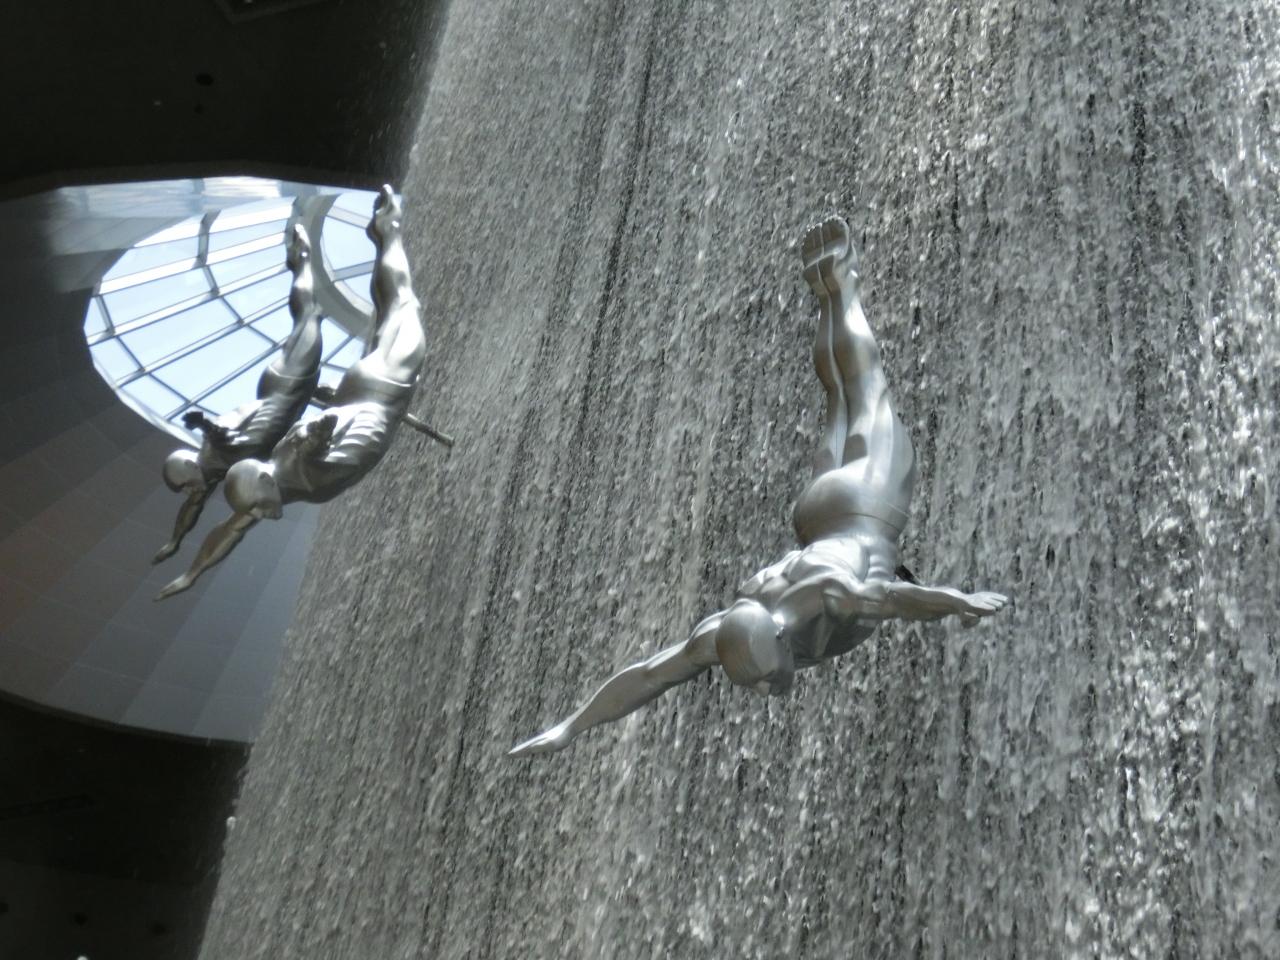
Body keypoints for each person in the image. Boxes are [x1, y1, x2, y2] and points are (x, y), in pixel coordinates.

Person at [509, 216, 1007, 757]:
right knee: (842, 395)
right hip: (817, 519)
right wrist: (571, 727)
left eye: (768, 675)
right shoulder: (724, 632)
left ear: (777, 636)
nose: (768, 690)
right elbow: (650, 674)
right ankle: (830, 291)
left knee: (865, 389)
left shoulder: (829, 596)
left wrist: (958, 601)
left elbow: (894, 598)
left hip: (867, 503)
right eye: (759, 682)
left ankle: (841, 281)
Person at [155, 185, 427, 600]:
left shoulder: (285, 465)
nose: (263, 515)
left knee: (401, 306)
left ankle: (385, 231)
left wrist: (209, 426)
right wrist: (191, 572)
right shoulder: (270, 478)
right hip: (360, 392)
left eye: (258, 507)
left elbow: (301, 439)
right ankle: (381, 236)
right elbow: (229, 528)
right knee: (394, 308)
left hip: (367, 387)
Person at [152, 222, 323, 564]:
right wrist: (175, 541)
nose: (190, 492)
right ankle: (299, 264)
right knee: (305, 321)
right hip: (280, 391)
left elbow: (223, 435)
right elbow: (192, 508)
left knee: (309, 316)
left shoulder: (216, 449)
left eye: (186, 485)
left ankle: (301, 260)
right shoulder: (212, 471)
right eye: (185, 490)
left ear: (191, 466)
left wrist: (203, 423)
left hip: (288, 384)